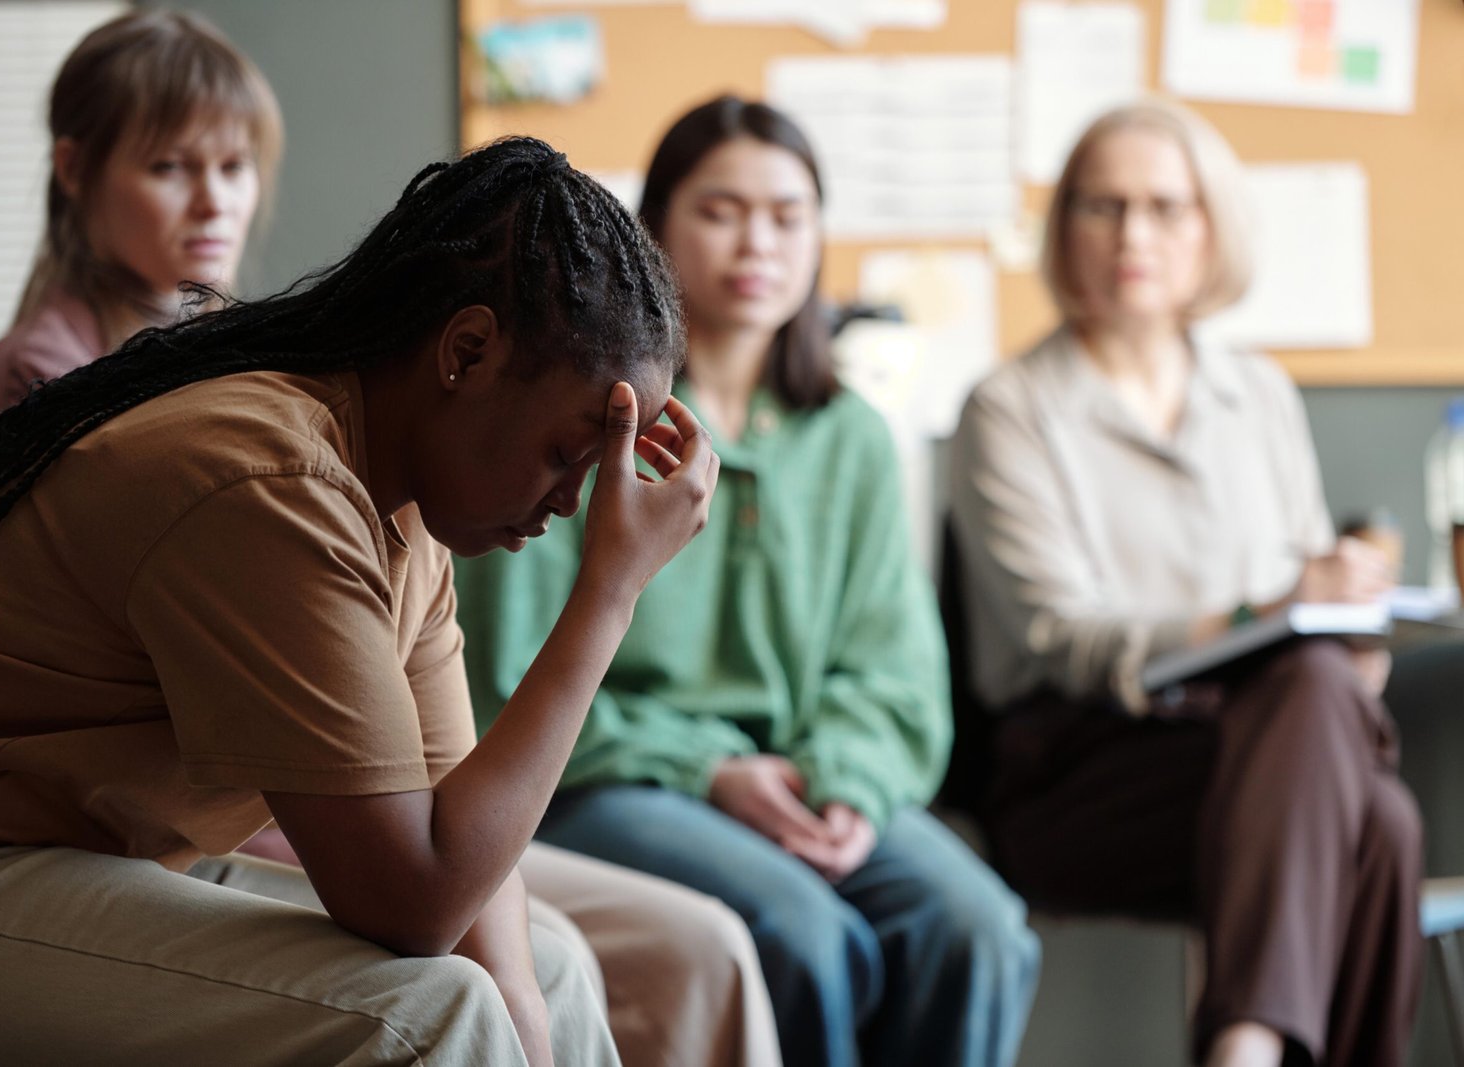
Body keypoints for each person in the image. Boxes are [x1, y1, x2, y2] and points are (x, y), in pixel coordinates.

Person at [0, 15, 784, 1063]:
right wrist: (609, 594)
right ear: (465, 351)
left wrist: (525, 1006)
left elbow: (462, 827)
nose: (574, 501)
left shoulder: (397, 504)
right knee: (439, 1010)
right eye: (569, 452)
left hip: (90, 856)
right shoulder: (272, 481)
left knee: (536, 966)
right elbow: (411, 898)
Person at [453, 95, 1039, 1067]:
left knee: (977, 926)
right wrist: (710, 772)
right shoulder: (591, 420)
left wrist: (849, 779)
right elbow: (504, 677)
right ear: (655, 227)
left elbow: (894, 669)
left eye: (787, 214)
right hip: (617, 775)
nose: (756, 242)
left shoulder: (850, 434)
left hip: (805, 774)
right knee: (806, 938)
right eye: (721, 211)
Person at [947, 99, 1421, 1067]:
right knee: (1377, 815)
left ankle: (1241, 1043)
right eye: (1102, 207)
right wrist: (1259, 615)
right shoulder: (1010, 406)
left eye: (1167, 207)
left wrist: (1342, 617)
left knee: (1352, 753)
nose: (1134, 235)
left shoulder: (1260, 394)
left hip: (1267, 745)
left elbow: (1306, 601)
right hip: (1080, 770)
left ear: (1212, 230)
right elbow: (1054, 635)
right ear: (1063, 228)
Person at [0, 9, 282, 478]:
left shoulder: (222, 351)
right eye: (169, 167)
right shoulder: (41, 383)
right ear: (74, 169)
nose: (215, 203)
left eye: (233, 166)